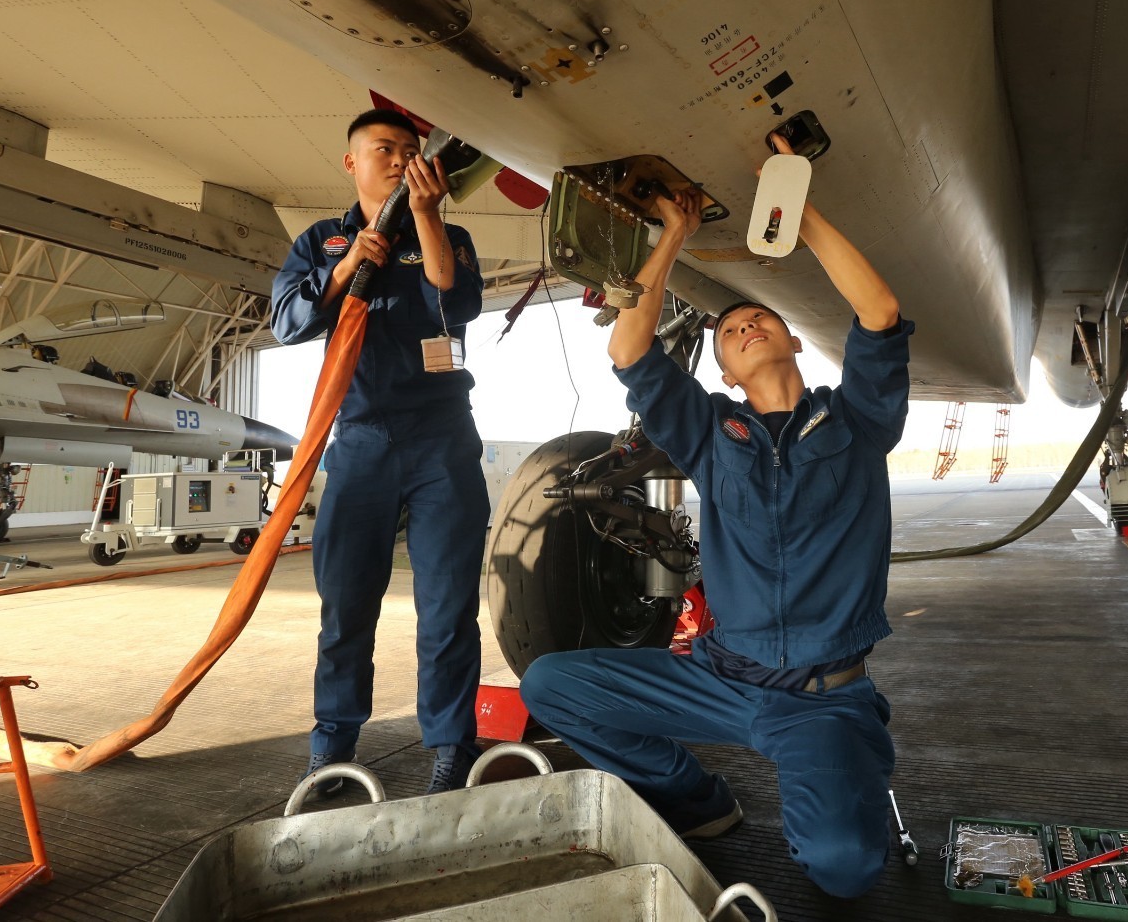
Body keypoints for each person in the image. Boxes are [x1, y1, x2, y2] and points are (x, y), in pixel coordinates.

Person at [520, 140, 913, 898]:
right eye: (730, 331)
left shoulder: (858, 421)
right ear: (724, 373)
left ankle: (844, 776)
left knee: (844, 869)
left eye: (760, 318)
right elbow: (630, 347)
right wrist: (673, 236)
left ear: (795, 339)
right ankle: (699, 800)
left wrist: (799, 213)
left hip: (819, 700)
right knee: (551, 686)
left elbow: (880, 313)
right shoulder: (708, 431)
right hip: (718, 678)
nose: (743, 327)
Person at [271, 107, 488, 794]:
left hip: (442, 442)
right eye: (384, 148)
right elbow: (285, 323)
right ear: (352, 162)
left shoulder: (446, 234)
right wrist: (343, 272)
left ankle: (451, 747)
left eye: (411, 150)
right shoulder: (321, 241)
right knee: (346, 608)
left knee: (448, 608)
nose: (399, 160)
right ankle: (331, 750)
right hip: (360, 442)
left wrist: (423, 217)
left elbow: (460, 301)